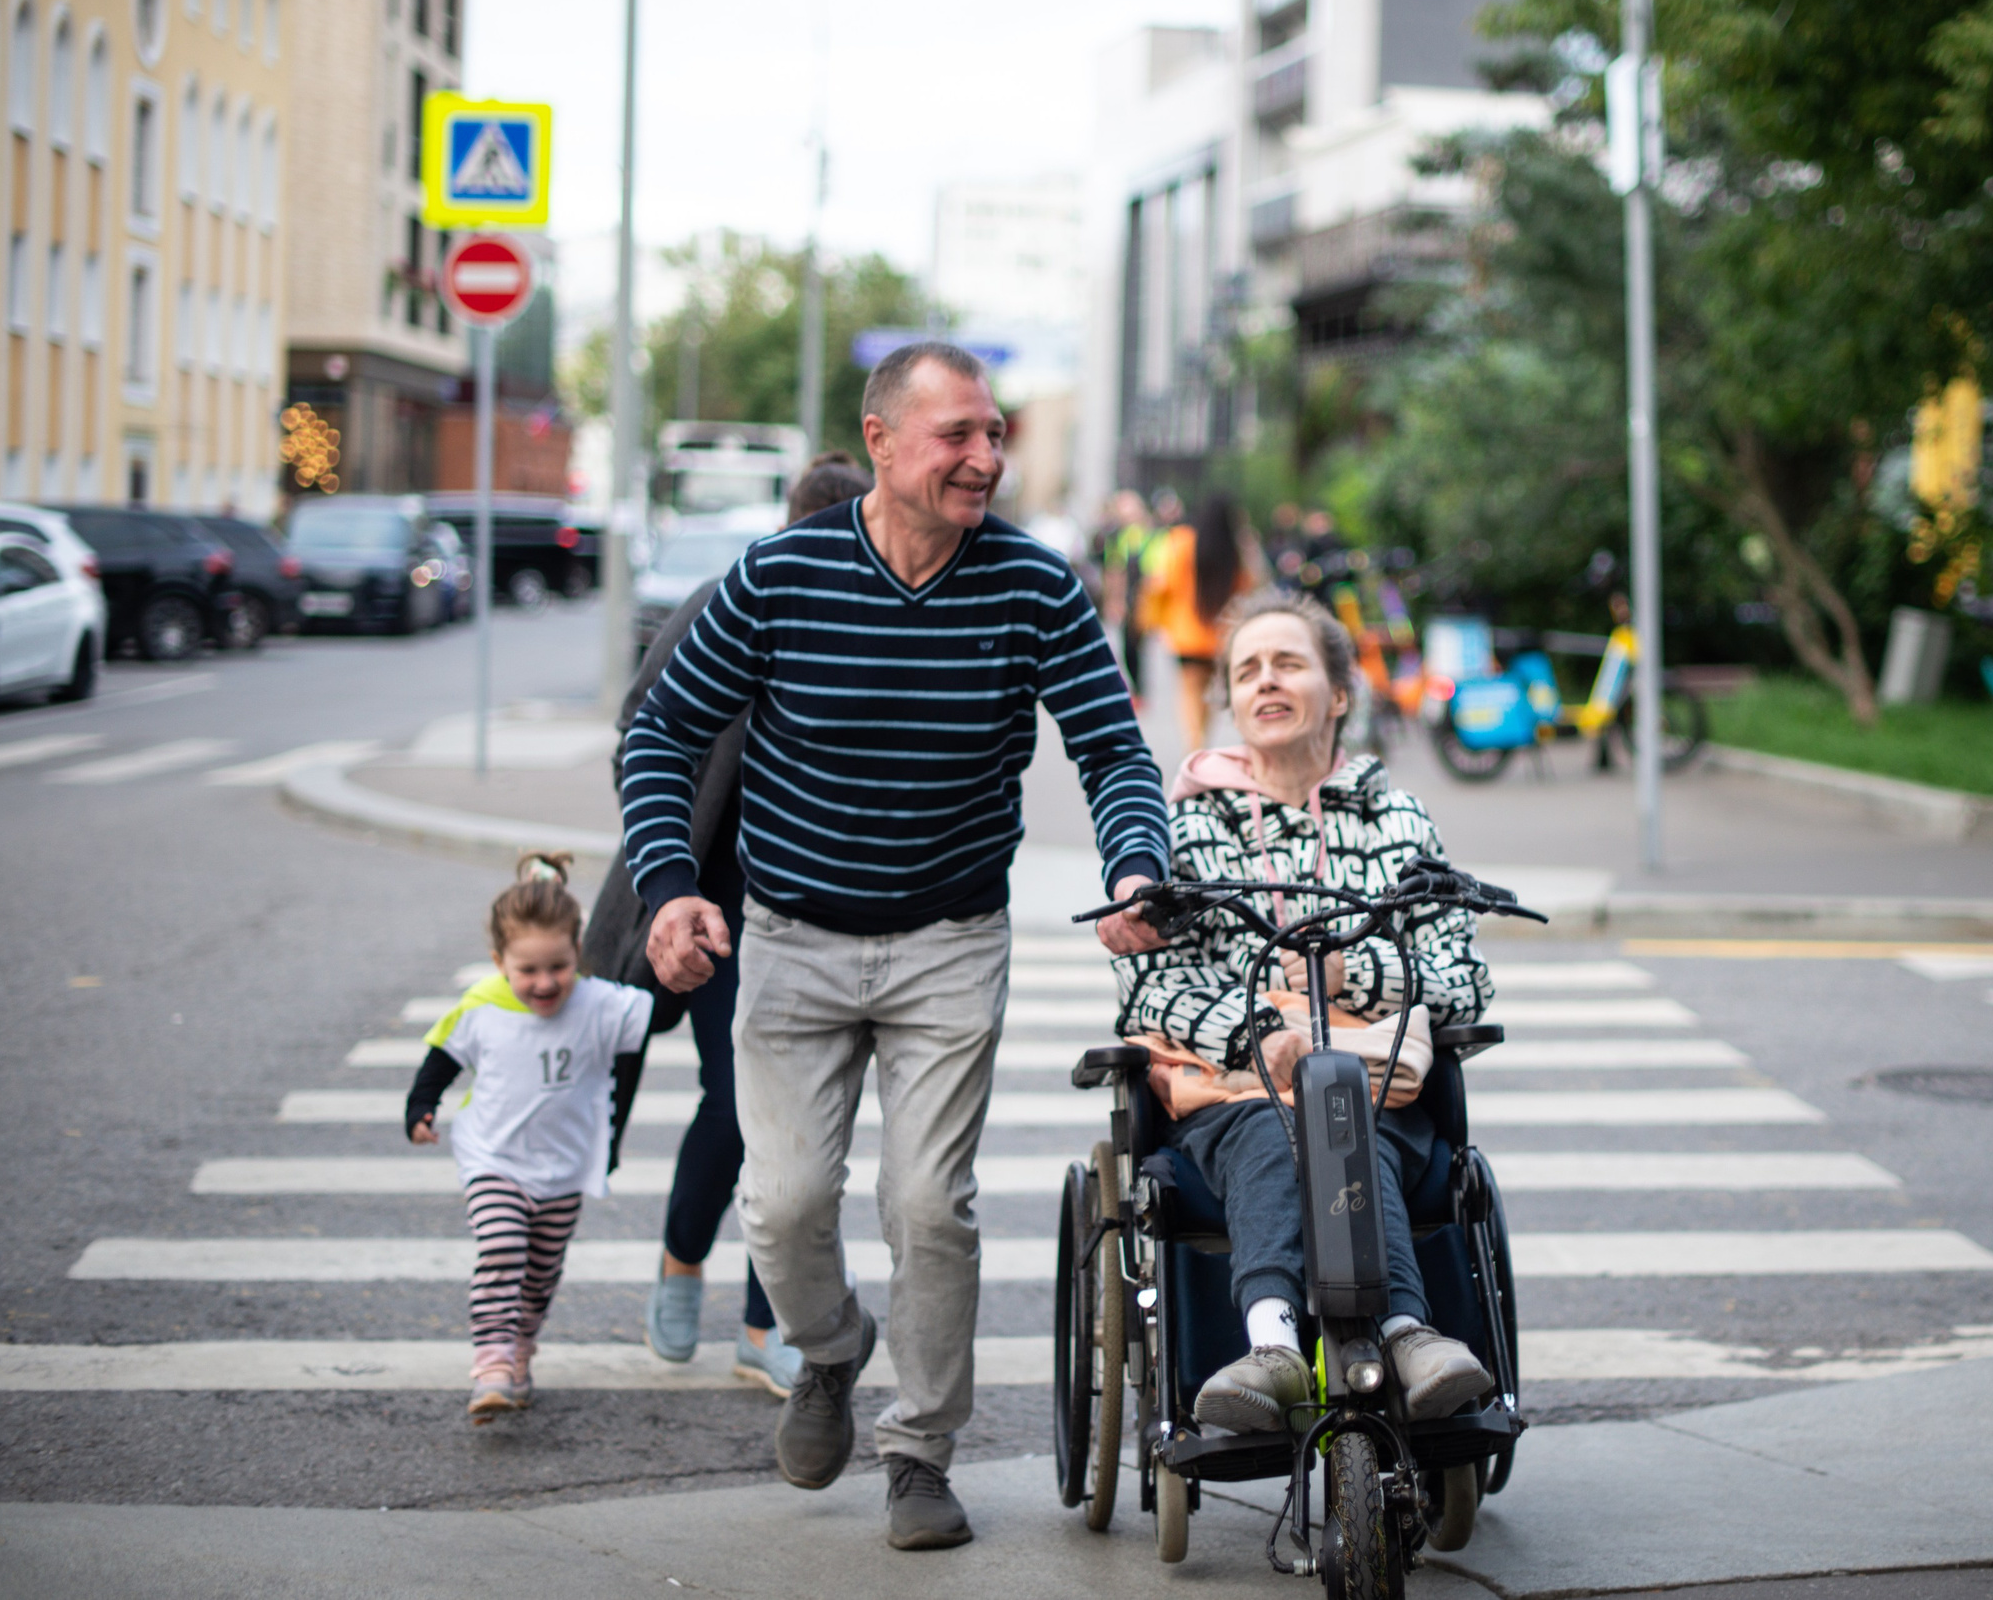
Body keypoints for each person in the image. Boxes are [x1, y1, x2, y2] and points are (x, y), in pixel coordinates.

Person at [619, 341, 1172, 1551]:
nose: (985, 456)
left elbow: (1114, 750)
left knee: (929, 1205)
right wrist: (669, 890)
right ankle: (828, 1348)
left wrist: (1138, 860)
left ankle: (920, 1450)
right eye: (956, 434)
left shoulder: (1034, 585)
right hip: (792, 935)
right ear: (881, 441)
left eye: (993, 433)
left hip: (947, 938)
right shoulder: (777, 576)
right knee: (782, 1203)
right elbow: (660, 733)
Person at [1112, 593, 1498, 1433]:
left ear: (1340, 694)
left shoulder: (1398, 822)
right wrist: (1260, 1034)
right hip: (1235, 1095)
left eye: (1288, 663)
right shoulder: (1185, 830)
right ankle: (1273, 1344)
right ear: (1230, 700)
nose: (1266, 681)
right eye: (1246, 670)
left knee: (1343, 1114)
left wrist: (1349, 970)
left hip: (1374, 1089)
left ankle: (1403, 1330)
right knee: (1276, 1128)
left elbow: (1463, 978)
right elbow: (1147, 990)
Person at [583, 456, 871, 1398]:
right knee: (740, 1104)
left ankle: (764, 1323)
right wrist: (670, 877)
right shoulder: (728, 601)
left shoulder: (877, 617)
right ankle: (680, 1265)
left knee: (791, 1120)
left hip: (822, 910)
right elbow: (642, 729)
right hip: (715, 902)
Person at [402, 856, 651, 1425]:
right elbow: (441, 1058)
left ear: (578, 956)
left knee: (541, 1272)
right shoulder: (483, 1005)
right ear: (499, 963)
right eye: (528, 970)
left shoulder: (600, 1003)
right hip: (494, 1159)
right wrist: (421, 1106)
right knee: (501, 1251)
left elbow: (649, 1013)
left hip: (564, 1167)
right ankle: (491, 1363)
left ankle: (520, 1349)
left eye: (559, 967)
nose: (544, 984)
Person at [1140, 491, 1259, 755]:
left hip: (1186, 634)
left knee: (1189, 690)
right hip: (1220, 636)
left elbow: (1162, 584)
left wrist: (1153, 618)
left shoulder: (1180, 542)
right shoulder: (1234, 549)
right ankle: (1201, 740)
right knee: (1208, 692)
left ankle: (1194, 744)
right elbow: (1248, 586)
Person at [1098, 489, 1154, 702]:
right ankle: (1137, 689)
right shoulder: (1117, 535)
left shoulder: (1146, 533)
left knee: (1136, 645)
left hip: (1143, 597)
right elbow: (1114, 570)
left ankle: (1139, 690)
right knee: (1128, 645)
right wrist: (1115, 600)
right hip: (1129, 597)